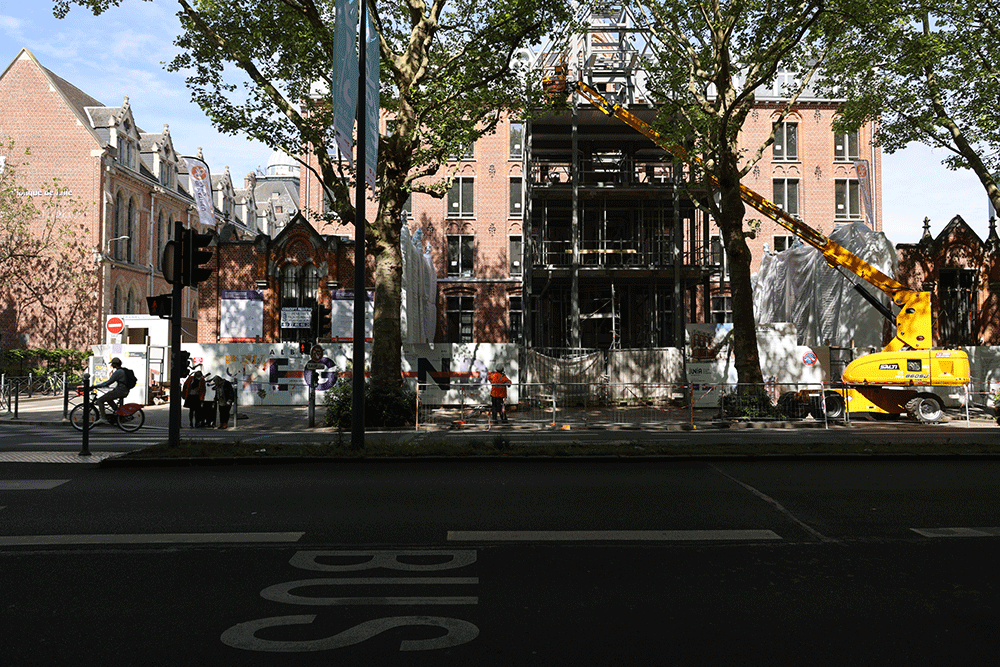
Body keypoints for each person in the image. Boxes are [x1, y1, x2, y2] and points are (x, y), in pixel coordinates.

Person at [92, 357, 130, 423]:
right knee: (108, 398)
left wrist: (96, 386)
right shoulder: (122, 370)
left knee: (100, 400)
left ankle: (103, 418)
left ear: (115, 364)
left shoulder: (118, 372)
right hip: (123, 390)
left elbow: (108, 382)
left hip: (120, 391)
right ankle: (118, 412)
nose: (111, 365)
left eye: (112, 364)